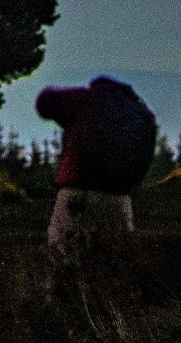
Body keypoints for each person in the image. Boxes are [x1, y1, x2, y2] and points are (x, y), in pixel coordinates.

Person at [32, 74, 159, 250]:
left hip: (78, 193)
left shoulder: (87, 98)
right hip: (120, 199)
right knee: (114, 262)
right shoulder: (141, 111)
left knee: (63, 257)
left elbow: (44, 102)